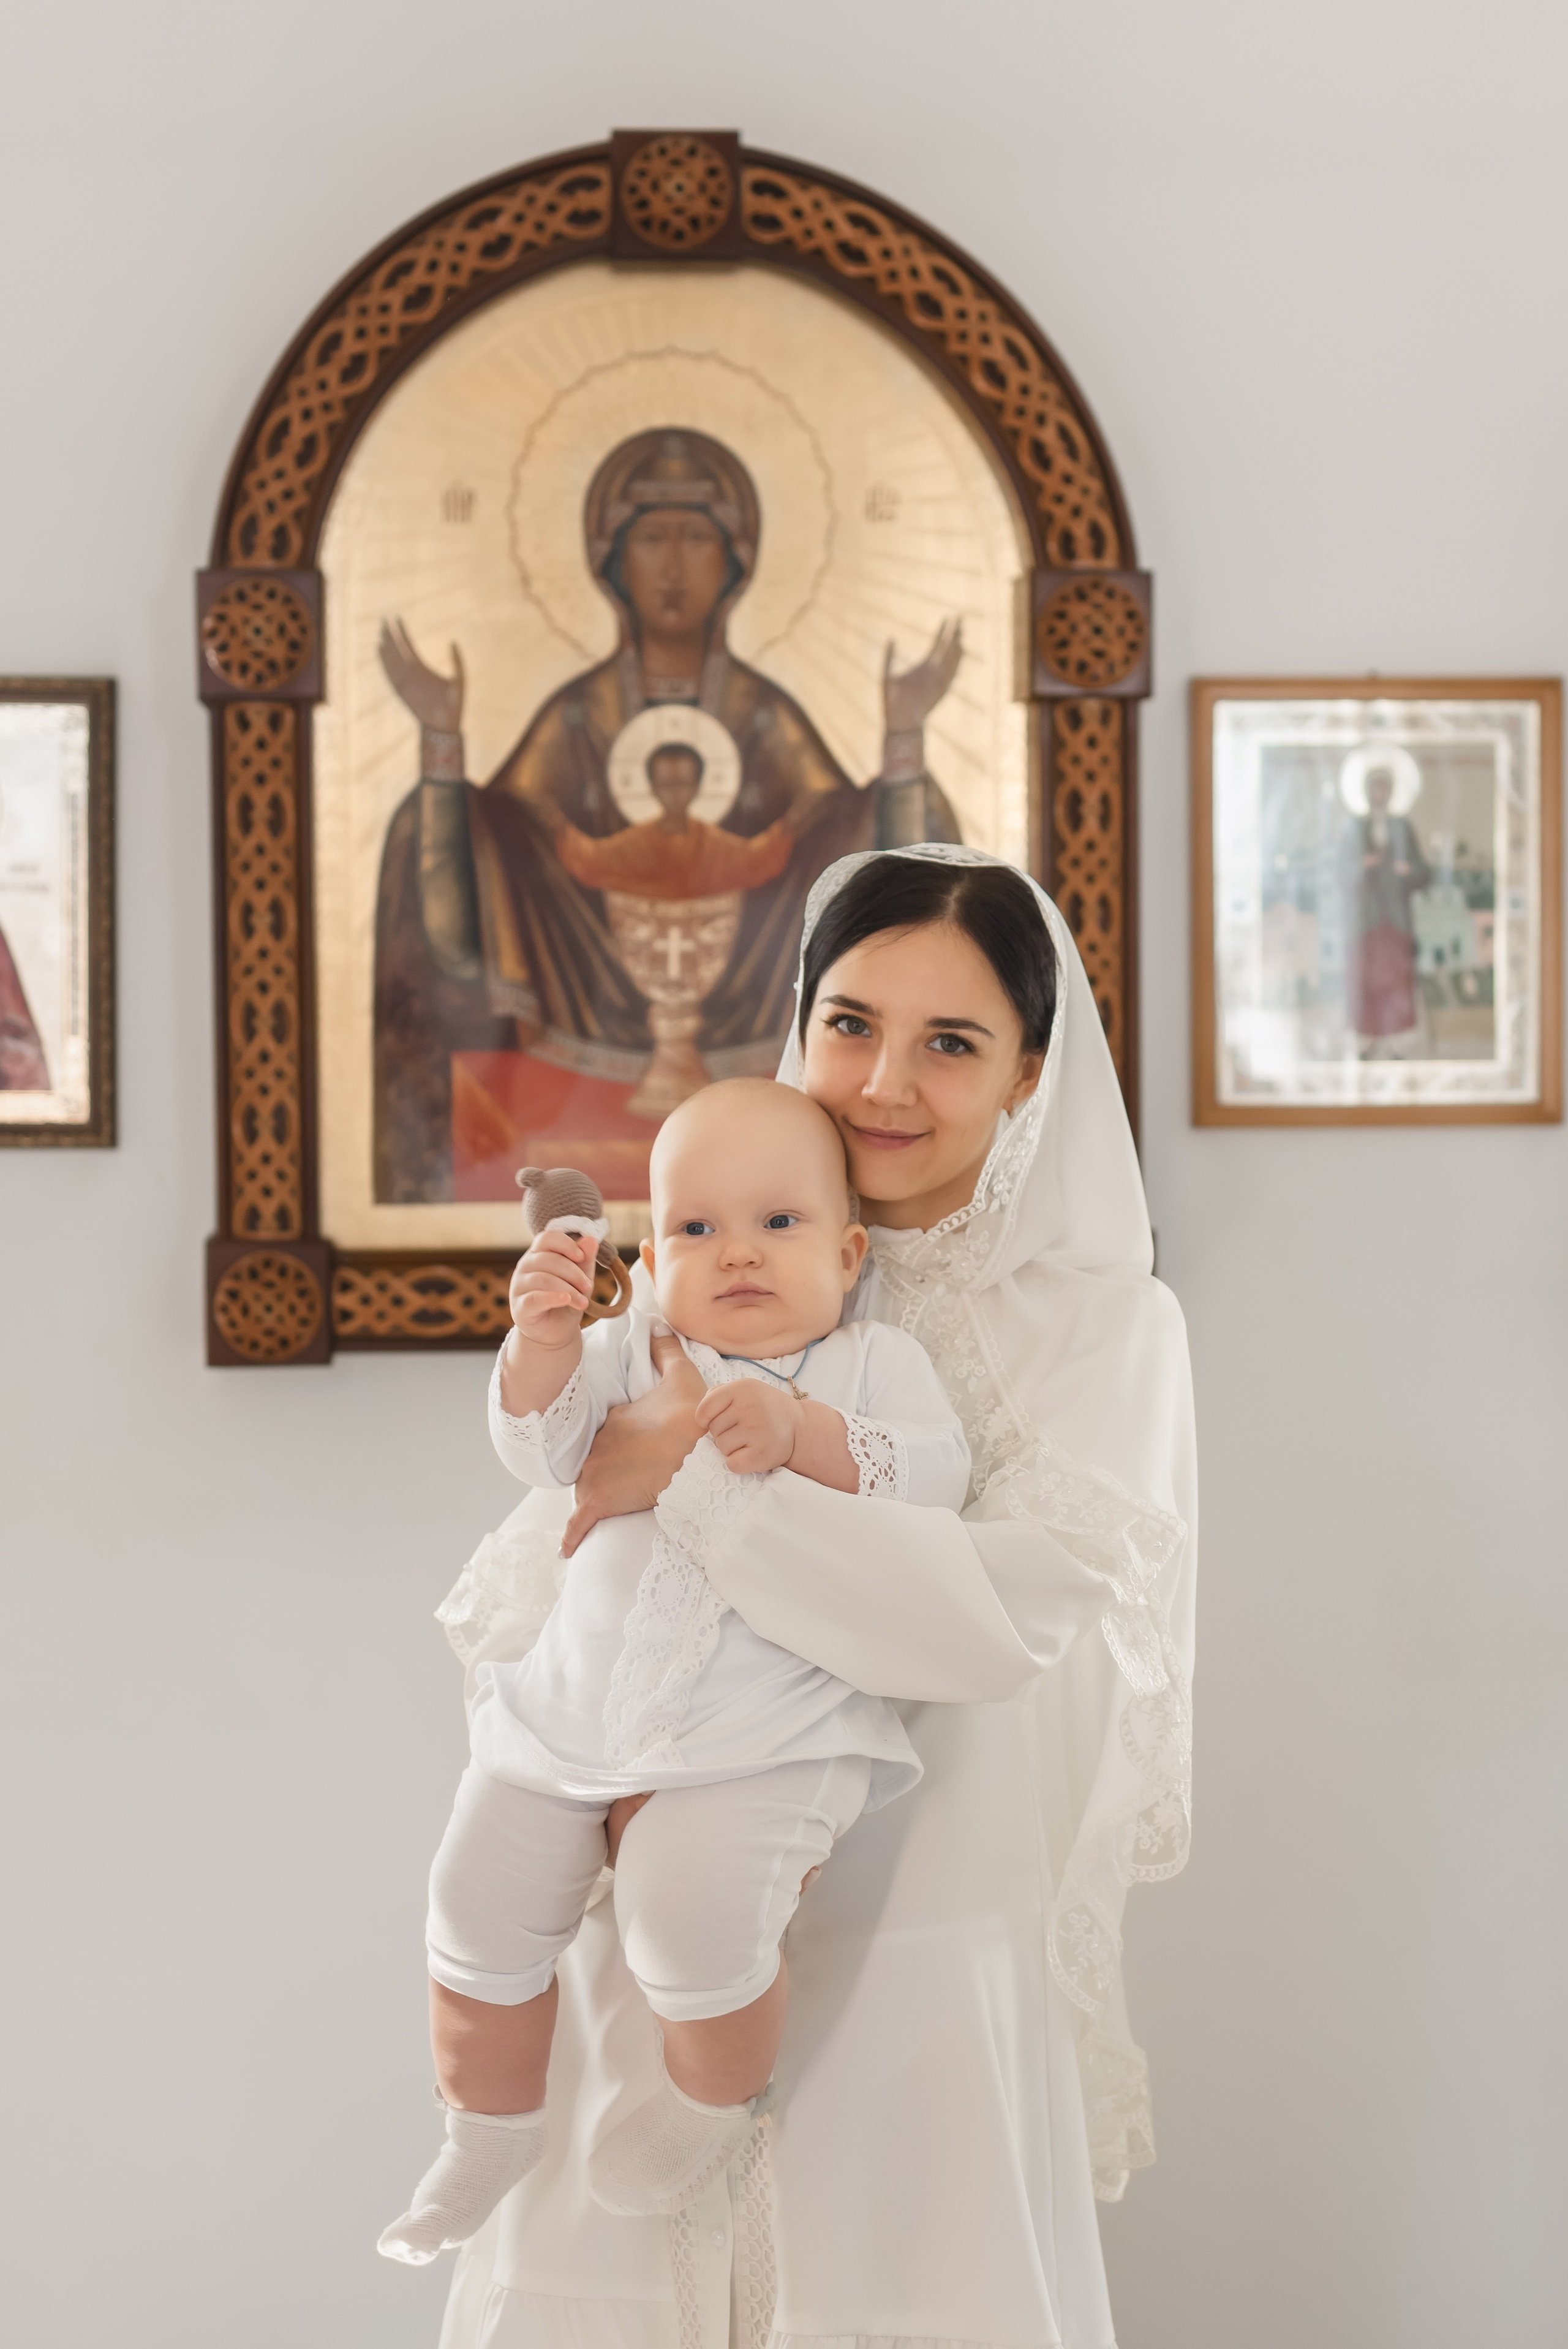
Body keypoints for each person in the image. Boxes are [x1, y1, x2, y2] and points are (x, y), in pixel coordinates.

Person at [434, 844, 1197, 2349]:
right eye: (849, 1021)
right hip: (654, 1899)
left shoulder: (1105, 1327)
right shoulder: (709, 1256)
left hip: (918, 1914)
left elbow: (989, 1620)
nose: (882, 1081)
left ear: (1029, 1069)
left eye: (950, 1041)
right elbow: (563, 1551)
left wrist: (701, 1481)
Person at [380, 1079, 970, 2266]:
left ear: (848, 1252)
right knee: (470, 1913)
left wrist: (803, 1436)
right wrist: (542, 1343)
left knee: (687, 1929)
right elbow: (540, 1452)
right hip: (569, 1714)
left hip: (764, 1731)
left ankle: (710, 2105)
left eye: (778, 1224)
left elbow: (935, 1473)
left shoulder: (868, 1363)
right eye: (696, 1229)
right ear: (652, 1255)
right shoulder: (627, 1348)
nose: (736, 1253)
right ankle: (484, 2131)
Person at [372, 428, 963, 1201]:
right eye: (653, 539)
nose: (676, 566)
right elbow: (514, 825)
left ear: (736, 563)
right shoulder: (580, 714)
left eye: (696, 539)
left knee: (883, 818)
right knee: (434, 817)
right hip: (585, 1006)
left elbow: (838, 830)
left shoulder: (760, 713)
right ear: (612, 562)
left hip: (752, 999)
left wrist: (904, 738)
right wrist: (442, 737)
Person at [548, 744, 799, 901]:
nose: (675, 794)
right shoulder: (635, 844)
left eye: (683, 784)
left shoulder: (714, 845)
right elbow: (594, 860)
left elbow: (753, 859)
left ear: (697, 786)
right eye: (667, 785)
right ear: (653, 788)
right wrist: (559, 827)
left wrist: (788, 828)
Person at [1340, 760, 1431, 1054]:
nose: (1379, 793)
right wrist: (1359, 865)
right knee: (1366, 982)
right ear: (1367, 792)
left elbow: (1423, 873)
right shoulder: (1354, 827)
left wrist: (1409, 871)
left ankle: (1397, 1043)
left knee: (1396, 982)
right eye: (1374, 788)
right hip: (1365, 920)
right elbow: (1337, 872)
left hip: (1396, 919)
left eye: (1384, 788)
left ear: (1391, 792)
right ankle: (1365, 1042)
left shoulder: (1402, 827)